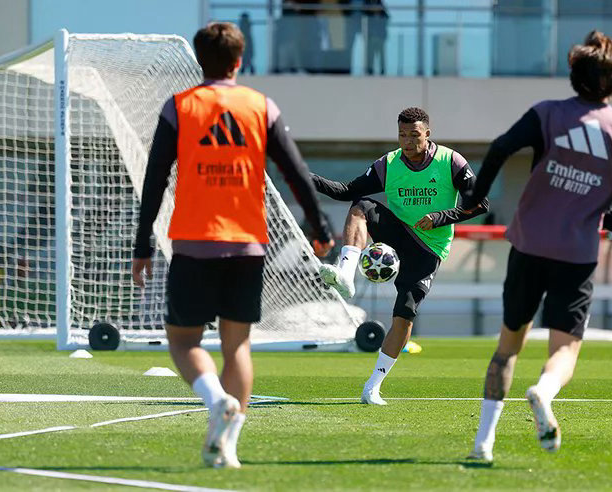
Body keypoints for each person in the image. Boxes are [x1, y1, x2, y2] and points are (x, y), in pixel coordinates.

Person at [132, 22, 334, 468]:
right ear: (239, 61)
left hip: (193, 244)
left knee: (183, 341)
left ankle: (214, 400)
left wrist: (142, 242)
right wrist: (319, 227)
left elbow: (155, 178)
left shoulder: (179, 107)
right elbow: (296, 173)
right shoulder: (261, 106)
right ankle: (229, 446)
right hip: (247, 246)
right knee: (237, 345)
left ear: (199, 61)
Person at [463, 31, 612, 462]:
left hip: (528, 245)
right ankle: (543, 392)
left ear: (574, 76)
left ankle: (483, 444)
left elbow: (499, 148)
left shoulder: (547, 113)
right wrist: (601, 221)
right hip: (576, 255)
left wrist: (475, 198)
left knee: (507, 348)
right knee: (565, 349)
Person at [312, 107, 489, 405]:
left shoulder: (451, 161)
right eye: (402, 135)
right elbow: (345, 191)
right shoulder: (388, 164)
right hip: (397, 234)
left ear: (427, 134)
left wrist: (441, 216)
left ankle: (373, 386)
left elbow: (480, 203)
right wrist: (305, 178)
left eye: (414, 135)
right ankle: (346, 272)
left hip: (429, 247)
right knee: (361, 205)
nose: (408, 141)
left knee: (405, 315)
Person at [364, 0, 388, 75]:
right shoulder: (367, 7)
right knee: (370, 54)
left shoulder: (382, 9)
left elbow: (387, 18)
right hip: (371, 36)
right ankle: (370, 69)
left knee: (381, 55)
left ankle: (382, 70)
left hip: (380, 36)